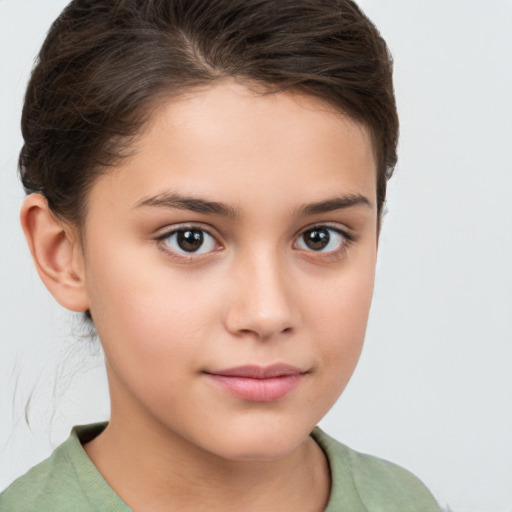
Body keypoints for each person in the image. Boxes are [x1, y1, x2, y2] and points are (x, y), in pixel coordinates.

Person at [0, 0, 442, 510]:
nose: (267, 312)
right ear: (62, 254)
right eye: (189, 239)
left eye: (320, 237)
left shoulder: (406, 501)